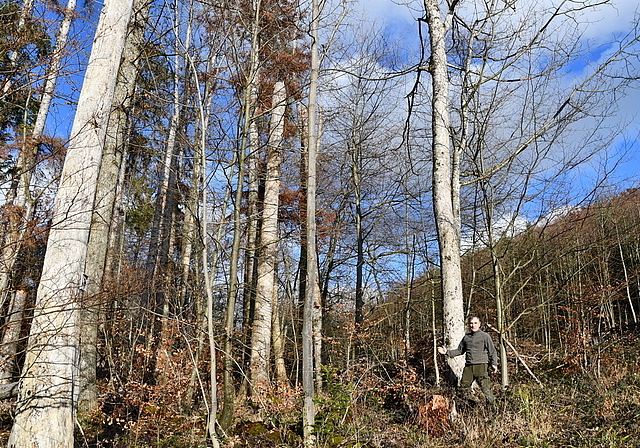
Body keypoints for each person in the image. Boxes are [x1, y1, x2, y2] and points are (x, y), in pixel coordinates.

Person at [438, 316, 498, 403]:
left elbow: (492, 351)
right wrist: (446, 352)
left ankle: (494, 410)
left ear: (479, 324)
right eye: (471, 323)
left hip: (481, 366)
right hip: (468, 367)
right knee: (463, 389)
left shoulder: (485, 336)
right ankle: (468, 408)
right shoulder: (466, 337)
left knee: (485, 389)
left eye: (475, 323)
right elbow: (459, 351)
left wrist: (494, 363)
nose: (473, 325)